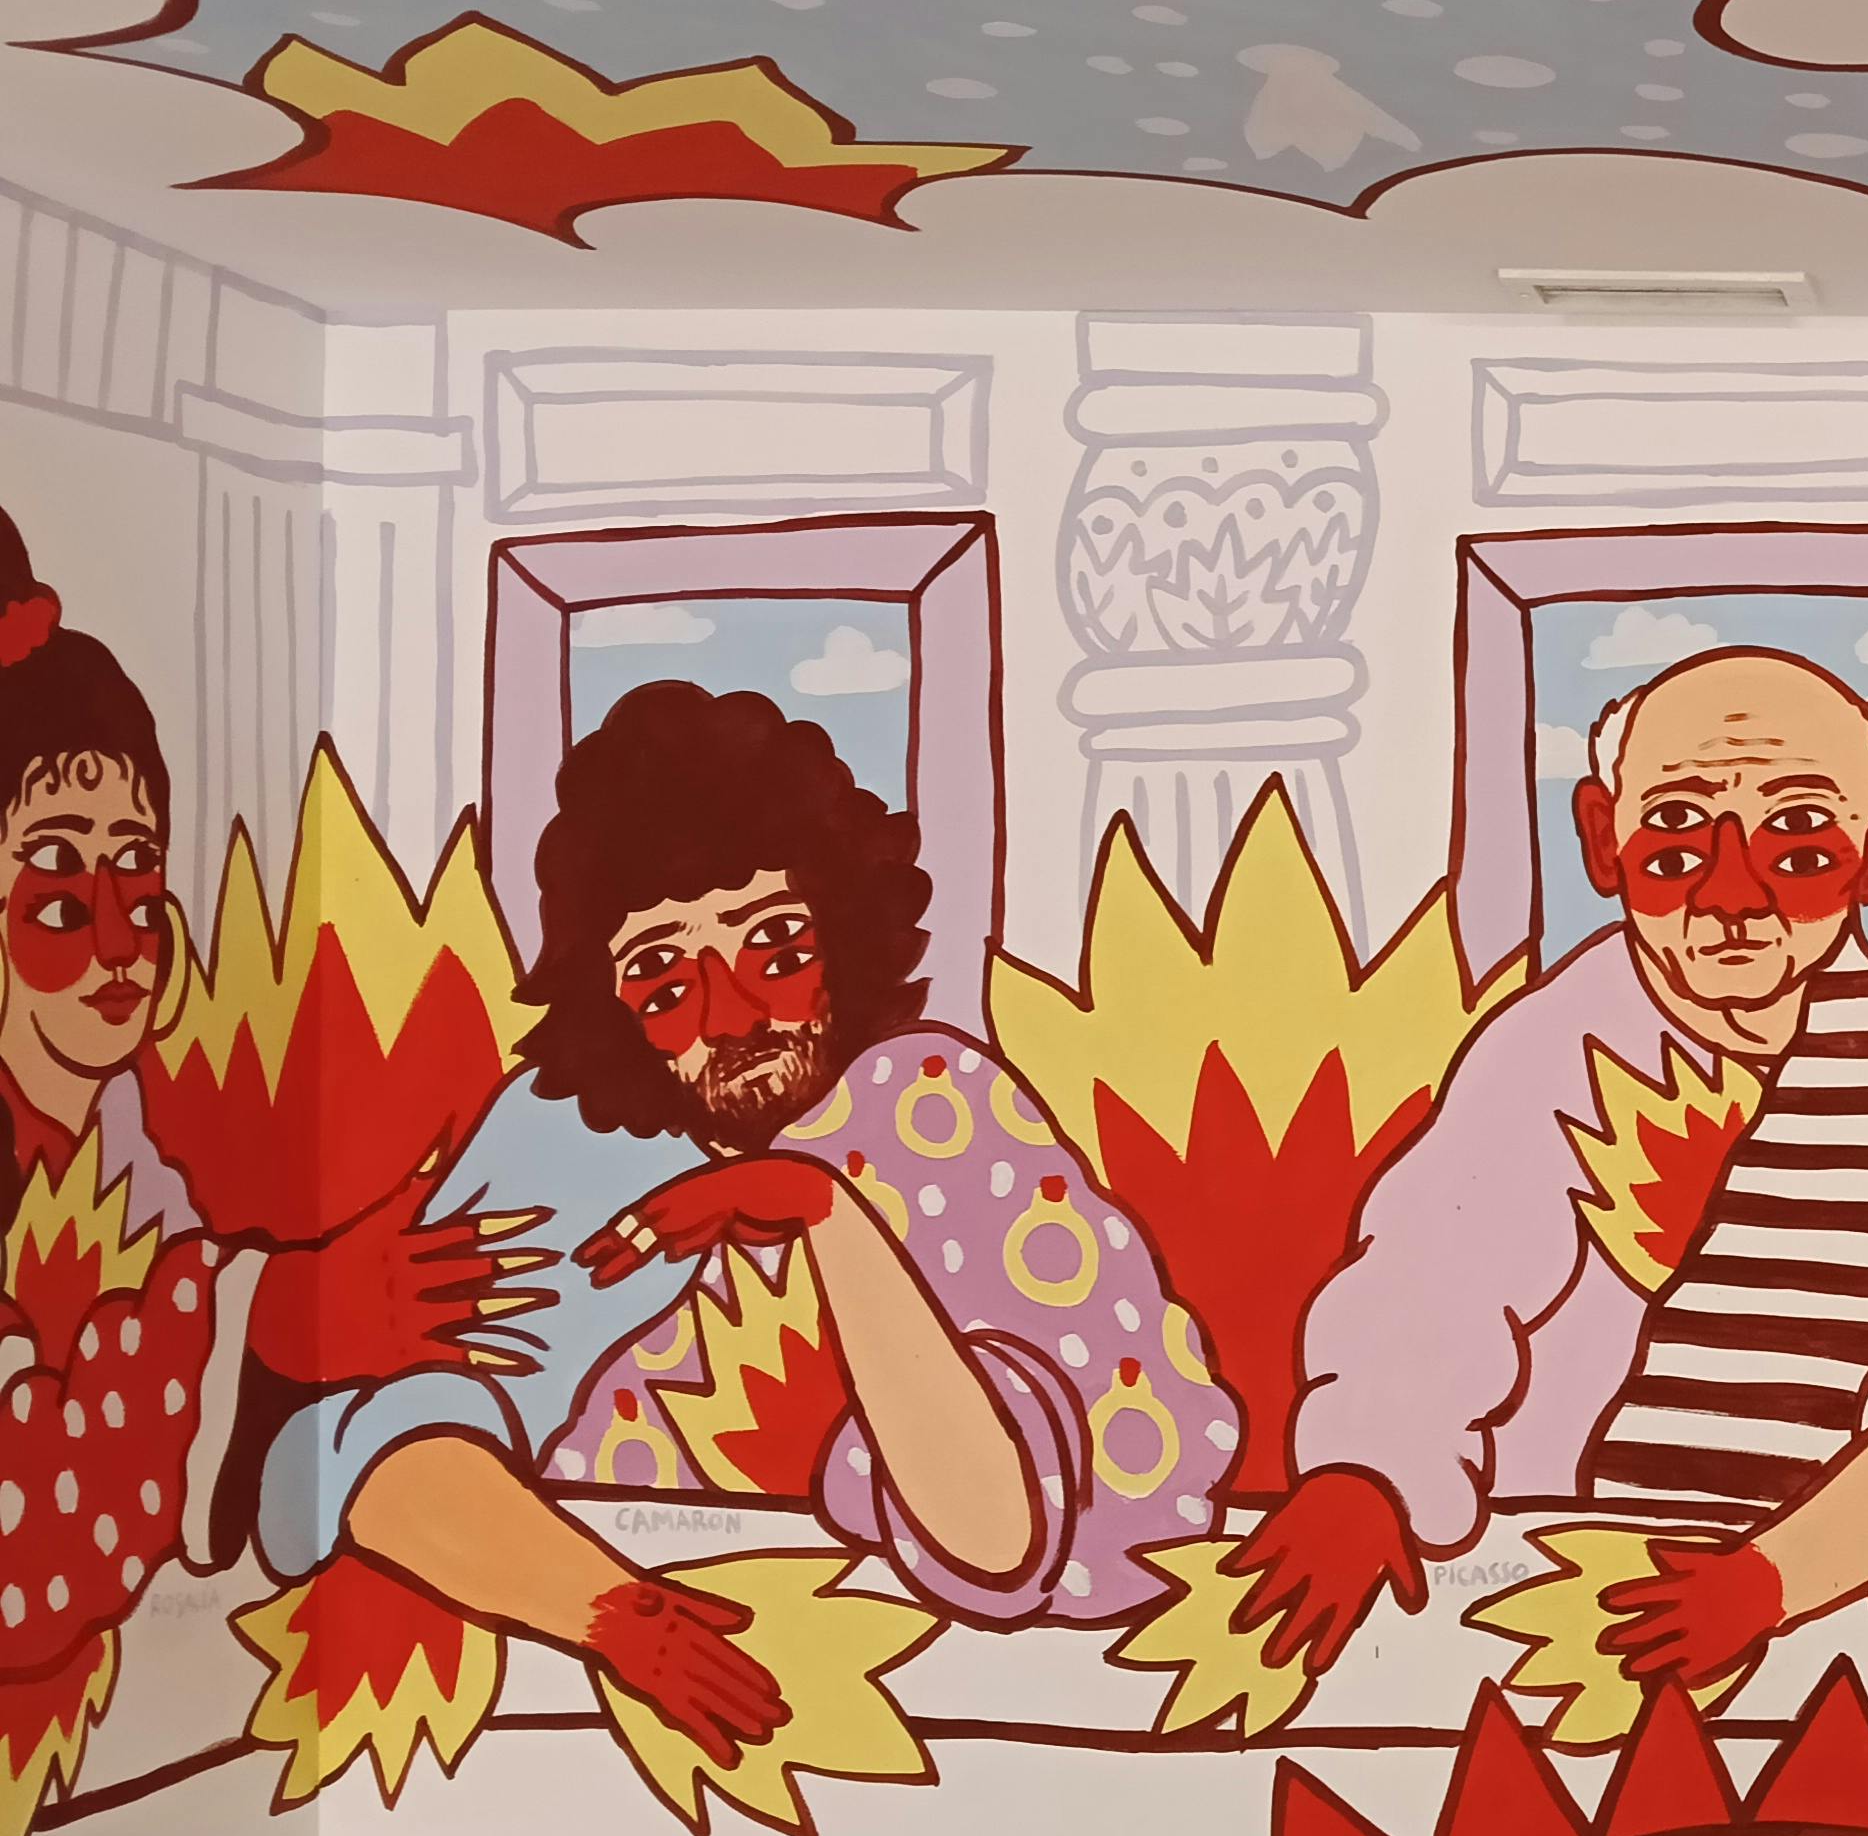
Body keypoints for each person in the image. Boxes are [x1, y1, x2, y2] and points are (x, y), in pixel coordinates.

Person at [253, 683, 1233, 1764]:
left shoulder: (931, 1112)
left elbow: (999, 1540)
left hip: (1016, 1717)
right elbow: (369, 1448)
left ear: (843, 935)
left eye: (773, 948)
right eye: (661, 976)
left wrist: (821, 1210)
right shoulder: (560, 1145)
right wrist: (611, 1614)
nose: (732, 1017)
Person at [1244, 646, 1868, 1696]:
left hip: (1837, 1622)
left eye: (1800, 848)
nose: (1732, 898)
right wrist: (1367, 1471)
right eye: (1676, 843)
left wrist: (1771, 1582)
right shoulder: (1553, 1048)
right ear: (1602, 839)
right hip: (1546, 1587)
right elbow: (1431, 1272)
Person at [0, 517, 512, 1836]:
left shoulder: (126, 1131)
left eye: (138, 874)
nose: (120, 941)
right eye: (56, 897)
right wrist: (271, 1313)